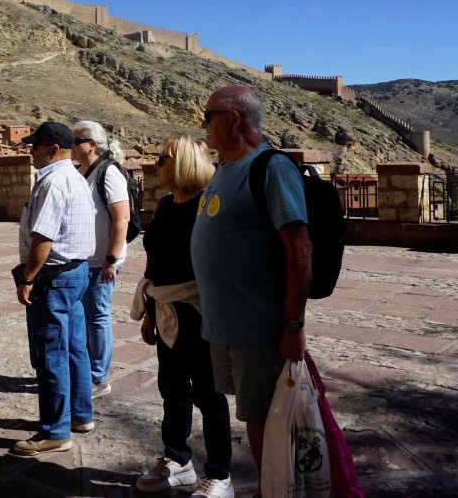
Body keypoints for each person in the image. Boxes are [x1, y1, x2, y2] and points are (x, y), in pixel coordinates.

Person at [191, 85, 312, 492]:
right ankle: (269, 486)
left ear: (233, 119)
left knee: (266, 423)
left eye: (207, 117)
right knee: (253, 418)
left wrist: (293, 325)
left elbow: (299, 248)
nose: (203, 126)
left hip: (259, 327)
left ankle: (273, 490)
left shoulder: (271, 168)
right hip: (225, 325)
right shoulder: (225, 168)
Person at [133, 135, 233, 497]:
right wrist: (149, 313)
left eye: (163, 158)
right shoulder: (163, 206)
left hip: (200, 312)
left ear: (185, 162)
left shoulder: (210, 205)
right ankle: (178, 460)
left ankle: (220, 475)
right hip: (165, 310)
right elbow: (154, 263)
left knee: (209, 394)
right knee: (172, 390)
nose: (156, 164)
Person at [10, 122, 95, 457]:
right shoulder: (75, 178)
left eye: (35, 146)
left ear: (52, 149)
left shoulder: (53, 182)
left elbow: (43, 237)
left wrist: (28, 277)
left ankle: (55, 431)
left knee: (51, 353)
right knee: (74, 347)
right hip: (76, 274)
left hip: (54, 278)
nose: (30, 151)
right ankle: (80, 415)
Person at [70, 120, 131, 398]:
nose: (72, 145)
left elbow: (122, 219)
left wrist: (111, 259)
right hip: (86, 259)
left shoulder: (108, 173)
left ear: (92, 145)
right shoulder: (81, 172)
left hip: (102, 260)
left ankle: (98, 378)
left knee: (97, 317)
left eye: (76, 140)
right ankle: (87, 371)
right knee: (84, 317)